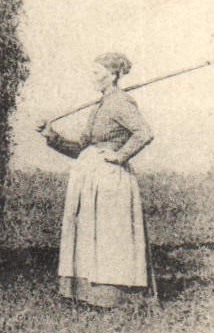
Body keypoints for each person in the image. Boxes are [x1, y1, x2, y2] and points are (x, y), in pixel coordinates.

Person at [36, 53, 157, 308]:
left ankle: (114, 295)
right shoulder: (100, 105)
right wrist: (52, 136)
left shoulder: (121, 103)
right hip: (90, 179)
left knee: (109, 234)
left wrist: (119, 156)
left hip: (110, 181)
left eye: (96, 72)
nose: (92, 77)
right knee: (90, 233)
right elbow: (81, 147)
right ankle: (86, 293)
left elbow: (144, 133)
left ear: (112, 75)